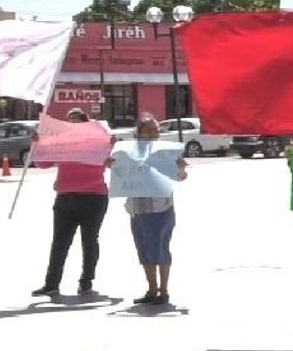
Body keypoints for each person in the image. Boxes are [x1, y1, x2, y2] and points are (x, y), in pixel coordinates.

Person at [32, 107, 112, 297]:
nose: (73, 123)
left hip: (94, 197)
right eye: (70, 120)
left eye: (77, 120)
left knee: (89, 240)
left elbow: (113, 161)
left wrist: (111, 145)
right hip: (65, 198)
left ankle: (86, 282)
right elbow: (42, 164)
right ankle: (51, 283)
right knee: (59, 242)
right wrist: (37, 145)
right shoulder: (63, 143)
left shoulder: (97, 141)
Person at [111, 114, 187, 305]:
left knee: (160, 249)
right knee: (144, 250)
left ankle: (164, 290)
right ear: (139, 133)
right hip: (138, 209)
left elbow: (180, 177)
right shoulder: (128, 152)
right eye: (149, 130)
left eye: (156, 130)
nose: (153, 134)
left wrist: (181, 169)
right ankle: (151, 289)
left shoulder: (166, 152)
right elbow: (119, 172)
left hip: (161, 208)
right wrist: (111, 164)